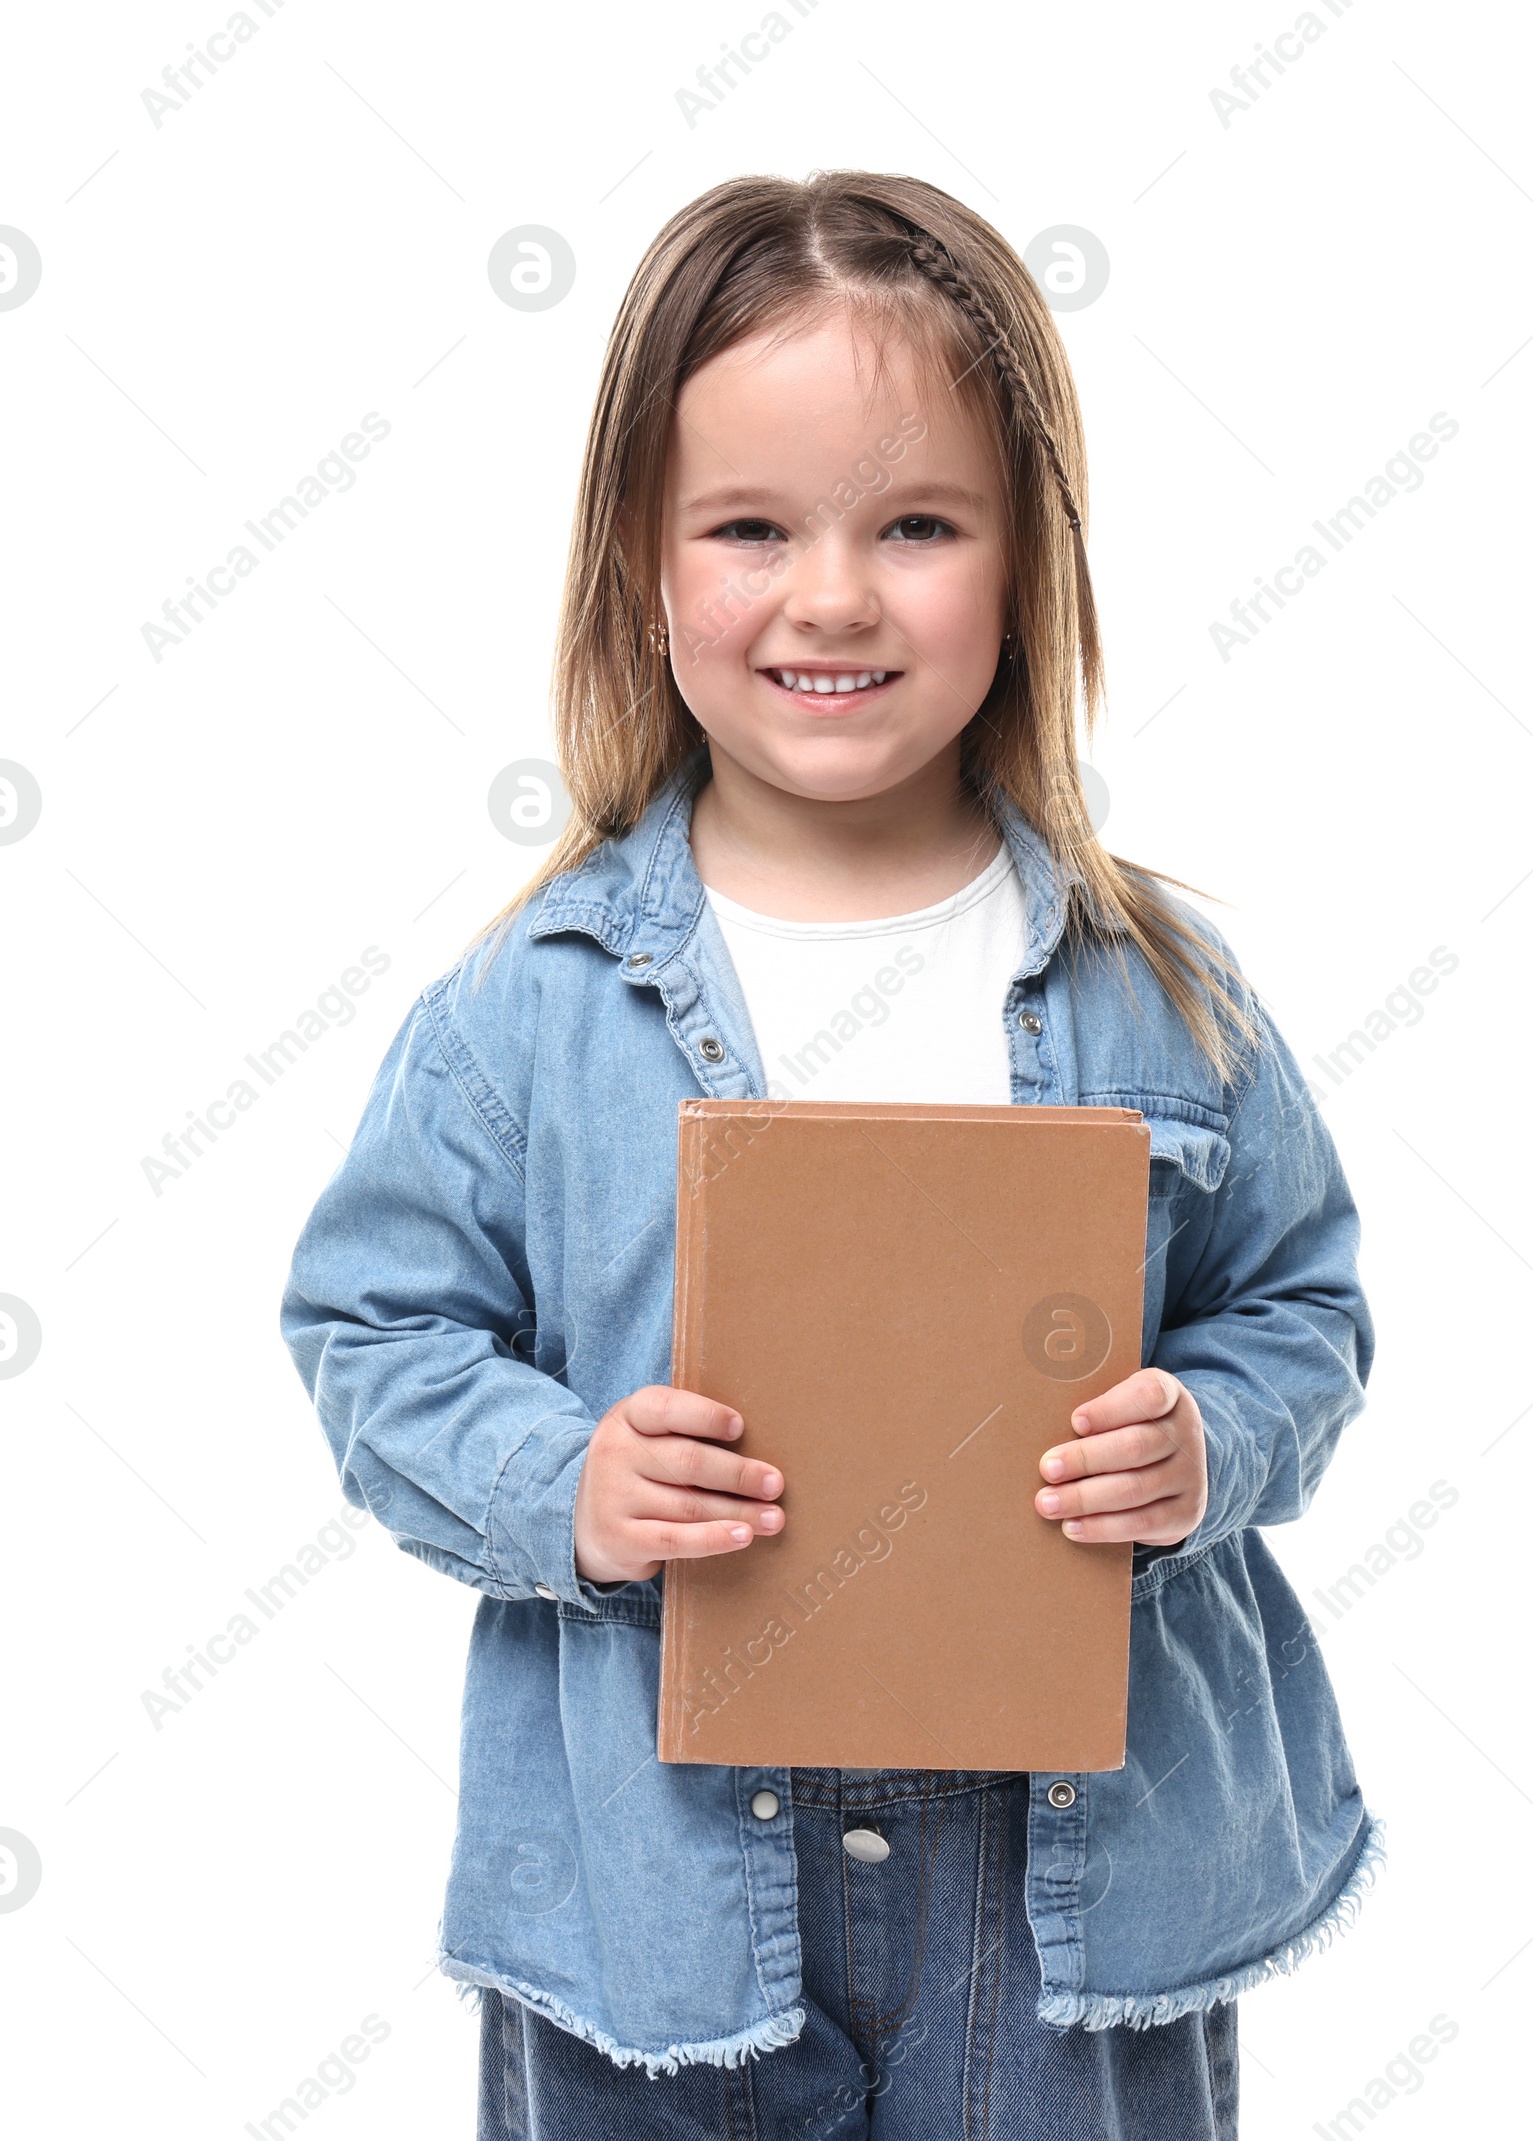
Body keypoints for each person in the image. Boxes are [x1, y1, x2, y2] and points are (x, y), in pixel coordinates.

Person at [281, 171, 1380, 2140]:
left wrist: (1206, 1442)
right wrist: (572, 1485)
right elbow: (372, 1335)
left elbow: (1297, 1303)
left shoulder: (1157, 991)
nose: (832, 595)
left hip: (1072, 1914)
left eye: (917, 527)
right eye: (749, 529)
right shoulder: (523, 1009)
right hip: (662, 1905)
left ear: (1025, 559)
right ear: (643, 557)